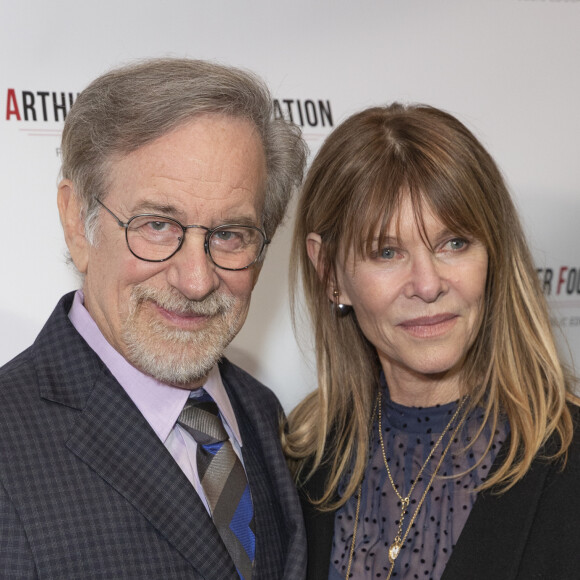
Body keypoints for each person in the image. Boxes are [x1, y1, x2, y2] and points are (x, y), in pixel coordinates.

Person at [0, 58, 308, 579]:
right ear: (79, 223)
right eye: (158, 225)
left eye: (230, 235)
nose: (196, 279)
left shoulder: (265, 416)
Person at [283, 103, 580, 580]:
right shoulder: (297, 462)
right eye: (386, 251)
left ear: (494, 254)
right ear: (329, 272)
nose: (427, 284)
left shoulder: (568, 462)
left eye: (454, 243)